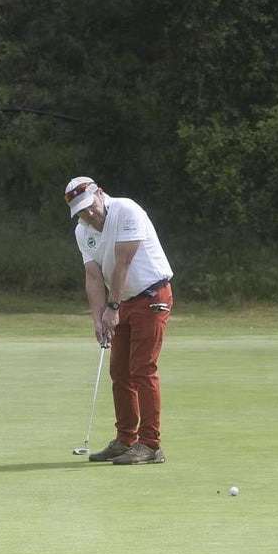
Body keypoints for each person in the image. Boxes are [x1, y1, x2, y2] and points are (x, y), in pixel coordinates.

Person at [66, 176, 174, 465]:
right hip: (122, 301)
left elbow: (123, 262)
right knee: (120, 372)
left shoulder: (127, 211)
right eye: (80, 211)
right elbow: (92, 275)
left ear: (99, 193)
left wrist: (112, 307)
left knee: (142, 368)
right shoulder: (82, 231)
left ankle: (151, 445)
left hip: (152, 295)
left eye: (89, 206)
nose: (87, 214)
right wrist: (99, 318)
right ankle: (126, 439)